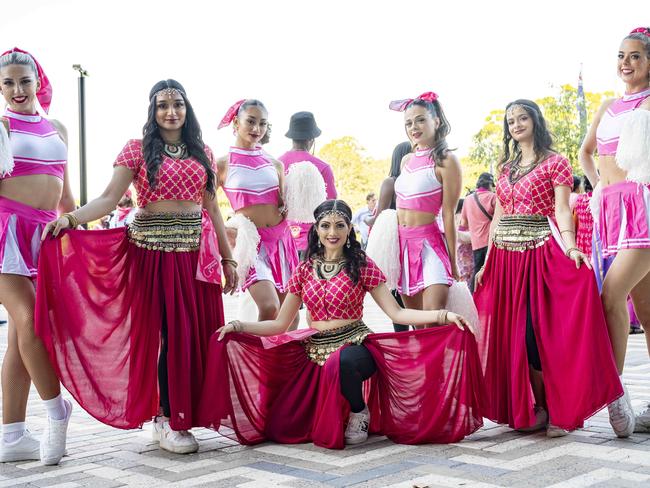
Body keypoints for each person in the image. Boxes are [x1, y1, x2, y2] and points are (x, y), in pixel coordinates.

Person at [37, 79, 236, 454]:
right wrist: (72, 220)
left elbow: (212, 208)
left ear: (187, 108)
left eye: (177, 104)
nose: (171, 111)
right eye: (162, 105)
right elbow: (109, 197)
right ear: (152, 110)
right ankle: (165, 417)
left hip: (197, 252)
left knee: (194, 334)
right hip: (151, 253)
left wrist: (227, 258)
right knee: (167, 334)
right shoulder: (137, 149)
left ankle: (183, 414)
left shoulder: (203, 151)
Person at [198, 199, 484, 448]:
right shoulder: (304, 269)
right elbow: (279, 324)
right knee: (281, 424)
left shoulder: (361, 264)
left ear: (349, 229)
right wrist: (238, 326)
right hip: (313, 349)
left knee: (341, 363)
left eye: (339, 225)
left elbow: (397, 314)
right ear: (317, 230)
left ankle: (359, 412)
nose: (332, 232)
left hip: (355, 345)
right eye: (325, 226)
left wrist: (443, 316)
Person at [474, 99, 622, 437]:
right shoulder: (505, 167)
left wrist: (571, 246)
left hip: (540, 252)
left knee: (537, 333)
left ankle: (559, 407)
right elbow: (499, 214)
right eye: (510, 120)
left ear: (535, 121)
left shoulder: (555, 162)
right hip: (506, 258)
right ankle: (538, 407)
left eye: (522, 117)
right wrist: (487, 261)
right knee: (513, 337)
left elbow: (561, 210)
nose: (516, 124)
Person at [0, 48, 76, 465]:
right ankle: (56, 411)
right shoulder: (0, 127)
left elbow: (65, 197)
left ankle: (12, 437)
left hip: (45, 239)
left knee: (18, 337)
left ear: (38, 82)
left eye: (24, 81)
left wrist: (74, 234)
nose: (17, 90)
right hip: (5, 234)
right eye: (8, 82)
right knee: (30, 321)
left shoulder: (58, 128)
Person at [578, 27, 650, 435]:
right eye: (622, 55)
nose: (626, 62)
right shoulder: (608, 105)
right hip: (609, 208)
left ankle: (616, 396)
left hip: (642, 207)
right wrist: (598, 184)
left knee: (610, 296)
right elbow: (587, 152)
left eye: (636, 56)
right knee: (649, 311)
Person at [217, 99, 299, 321]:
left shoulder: (275, 164)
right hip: (251, 244)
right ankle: (258, 356)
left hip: (282, 241)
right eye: (250, 122)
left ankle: (278, 356)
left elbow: (283, 204)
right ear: (236, 122)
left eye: (262, 123)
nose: (256, 129)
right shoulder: (222, 164)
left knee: (289, 316)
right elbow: (205, 207)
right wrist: (226, 231)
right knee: (269, 307)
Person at [389, 92, 460, 322]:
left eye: (420, 120)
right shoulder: (406, 161)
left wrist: (453, 261)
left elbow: (449, 214)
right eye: (408, 123)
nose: (414, 127)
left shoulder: (446, 160)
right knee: (416, 323)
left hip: (430, 246)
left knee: (433, 317)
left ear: (436, 121)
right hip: (403, 248)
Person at [366, 141, 411, 332]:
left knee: (401, 296)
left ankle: (404, 339)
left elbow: (376, 217)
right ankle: (406, 339)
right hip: (398, 244)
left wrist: (368, 219)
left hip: (402, 243)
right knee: (401, 295)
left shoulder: (391, 182)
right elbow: (383, 216)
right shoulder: (396, 182)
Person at [278, 111, 337, 256]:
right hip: (313, 242)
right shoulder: (322, 167)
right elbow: (332, 206)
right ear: (312, 139)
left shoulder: (276, 164)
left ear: (291, 137)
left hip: (282, 241)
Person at [459, 172, 496, 292]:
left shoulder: (468, 200)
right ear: (490, 184)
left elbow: (463, 223)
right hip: (491, 243)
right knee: (493, 275)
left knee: (477, 273)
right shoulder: (493, 197)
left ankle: (473, 300)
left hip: (476, 244)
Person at [455, 199, 473, 288]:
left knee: (464, 273)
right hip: (466, 249)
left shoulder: (456, 216)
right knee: (467, 273)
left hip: (460, 250)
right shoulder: (462, 216)